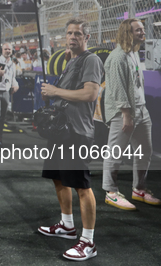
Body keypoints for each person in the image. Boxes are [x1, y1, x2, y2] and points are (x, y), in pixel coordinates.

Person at [39, 19, 103, 261]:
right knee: (58, 178)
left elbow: (90, 93)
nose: (73, 36)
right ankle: (67, 226)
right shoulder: (72, 61)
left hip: (77, 133)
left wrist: (55, 92)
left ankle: (88, 242)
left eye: (78, 33)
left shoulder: (91, 60)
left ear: (87, 37)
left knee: (82, 186)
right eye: (69, 33)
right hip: (61, 132)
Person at [102, 19, 159, 210]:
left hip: (141, 110)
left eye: (143, 29)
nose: (143, 32)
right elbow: (118, 89)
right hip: (123, 113)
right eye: (138, 30)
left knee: (145, 151)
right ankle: (111, 192)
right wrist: (126, 114)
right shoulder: (117, 57)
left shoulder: (133, 53)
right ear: (128, 33)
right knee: (115, 152)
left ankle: (139, 189)